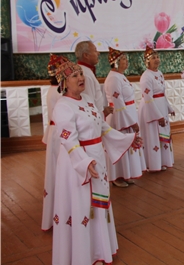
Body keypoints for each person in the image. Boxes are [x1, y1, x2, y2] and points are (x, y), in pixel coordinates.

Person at [50, 56, 143, 265]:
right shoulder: (63, 106)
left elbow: (104, 128)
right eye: (74, 76)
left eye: (80, 73)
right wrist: (84, 162)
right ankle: (84, 255)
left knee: (99, 204)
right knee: (83, 206)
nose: (80, 77)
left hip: (97, 158)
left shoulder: (89, 101)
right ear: (64, 83)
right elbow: (68, 140)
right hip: (77, 165)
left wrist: (128, 139)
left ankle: (100, 251)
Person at [104, 47, 146, 187]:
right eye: (123, 60)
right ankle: (117, 177)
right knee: (120, 145)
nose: (126, 62)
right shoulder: (113, 79)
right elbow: (118, 103)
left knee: (127, 145)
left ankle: (126, 174)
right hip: (119, 118)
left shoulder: (120, 76)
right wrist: (130, 123)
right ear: (115, 62)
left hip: (127, 114)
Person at [138, 46, 175, 171]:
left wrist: (169, 108)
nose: (157, 60)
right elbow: (148, 98)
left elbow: (162, 94)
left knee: (163, 136)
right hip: (150, 110)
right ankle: (152, 164)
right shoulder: (146, 76)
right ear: (147, 61)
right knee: (153, 136)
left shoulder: (159, 73)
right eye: (153, 58)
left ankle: (162, 162)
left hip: (161, 109)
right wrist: (157, 115)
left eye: (158, 57)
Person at [41, 54, 65, 231]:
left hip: (56, 134)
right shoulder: (57, 93)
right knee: (59, 173)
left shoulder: (55, 91)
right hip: (59, 136)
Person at [74, 40, 113, 118]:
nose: (98, 53)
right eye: (95, 51)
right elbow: (88, 103)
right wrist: (103, 113)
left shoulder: (85, 70)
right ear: (86, 55)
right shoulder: (84, 74)